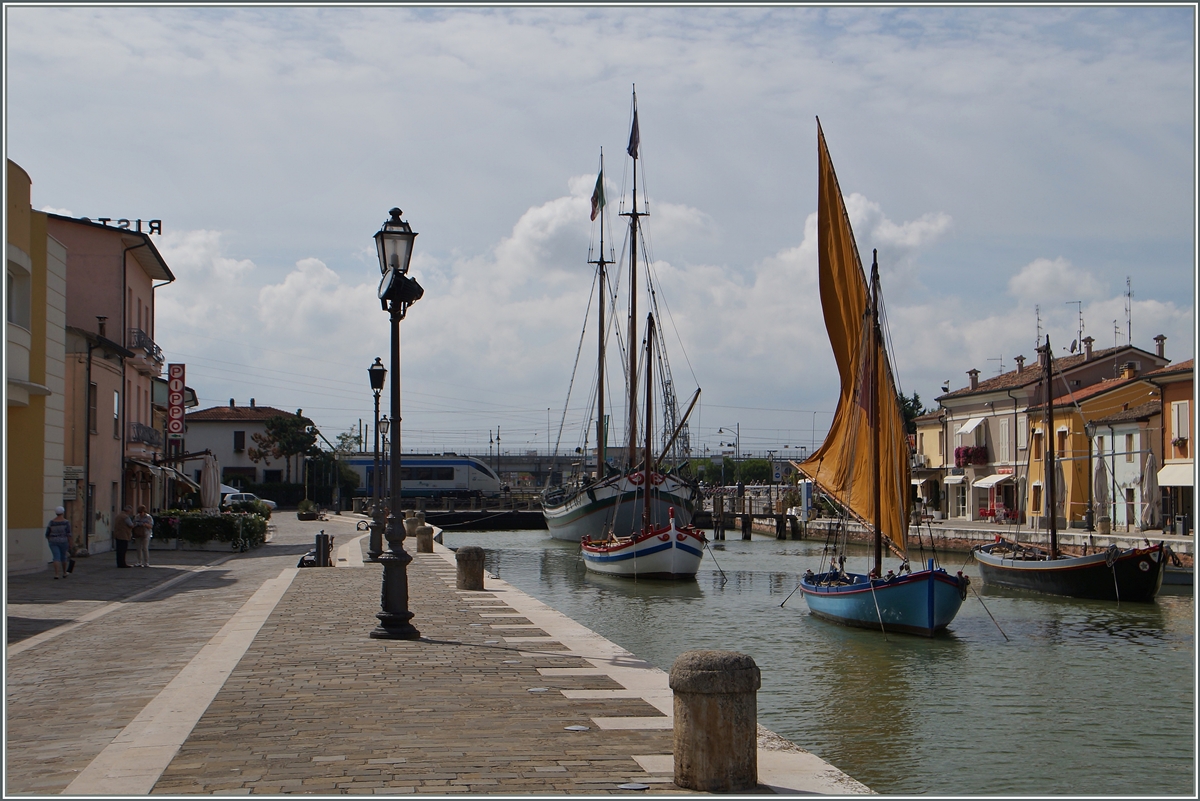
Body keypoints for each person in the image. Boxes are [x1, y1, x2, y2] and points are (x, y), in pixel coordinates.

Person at [45, 507, 72, 579]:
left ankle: (56, 574)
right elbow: (69, 534)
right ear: (63, 513)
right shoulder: (66, 522)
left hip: (53, 541)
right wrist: (70, 543)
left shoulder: (51, 522)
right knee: (63, 556)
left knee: (56, 557)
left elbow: (47, 533)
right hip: (63, 541)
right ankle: (64, 572)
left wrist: (50, 540)